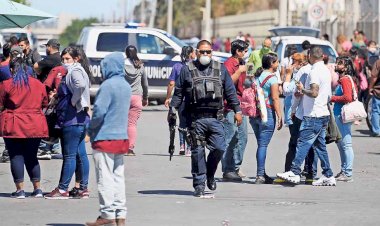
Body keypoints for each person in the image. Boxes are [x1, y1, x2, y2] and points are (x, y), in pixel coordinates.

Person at [170, 40, 242, 197]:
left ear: (212, 53)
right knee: (197, 152)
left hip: (216, 118)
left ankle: (210, 174)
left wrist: (237, 110)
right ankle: (199, 184)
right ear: (196, 52)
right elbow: (179, 93)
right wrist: (172, 109)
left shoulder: (221, 69)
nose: (205, 55)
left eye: (208, 52)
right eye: (202, 52)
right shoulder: (187, 70)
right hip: (195, 120)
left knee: (219, 148)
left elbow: (230, 92)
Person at [277, 46, 336, 186]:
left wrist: (302, 89)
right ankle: (328, 174)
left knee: (302, 143)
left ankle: (295, 171)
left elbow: (314, 92)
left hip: (313, 115)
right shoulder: (326, 71)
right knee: (320, 146)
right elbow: (327, 94)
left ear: (310, 56)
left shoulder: (314, 71)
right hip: (322, 113)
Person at [86, 52, 131, 226]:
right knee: (118, 177)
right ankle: (120, 214)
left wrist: (90, 130)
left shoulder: (107, 86)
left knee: (104, 178)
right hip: (121, 138)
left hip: (104, 138)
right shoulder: (126, 86)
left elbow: (98, 112)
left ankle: (107, 214)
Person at [45, 47, 91, 199]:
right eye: (63, 59)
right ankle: (83, 188)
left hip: (72, 119)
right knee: (80, 154)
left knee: (70, 156)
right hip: (80, 119)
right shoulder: (80, 70)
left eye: (68, 59)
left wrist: (72, 100)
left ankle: (62, 189)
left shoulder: (75, 71)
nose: (65, 62)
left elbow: (80, 86)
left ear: (76, 59)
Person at [0, 55, 48, 198]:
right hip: (35, 124)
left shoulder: (6, 84)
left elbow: (1, 104)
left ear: (11, 69)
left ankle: (20, 190)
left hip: (14, 124)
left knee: (16, 156)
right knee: (32, 156)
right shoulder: (38, 84)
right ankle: (37, 189)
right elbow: (45, 103)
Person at [282, 53, 317, 183]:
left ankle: (290, 171)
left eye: (293, 62)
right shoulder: (316, 70)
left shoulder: (301, 71)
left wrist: (288, 74)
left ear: (300, 62)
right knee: (311, 144)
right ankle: (310, 173)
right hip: (313, 113)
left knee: (294, 143)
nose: (292, 64)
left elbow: (289, 91)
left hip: (300, 113)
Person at [248, 53, 283, 184]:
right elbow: (275, 98)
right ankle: (260, 175)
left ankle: (262, 173)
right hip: (266, 112)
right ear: (272, 64)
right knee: (263, 145)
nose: (278, 64)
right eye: (277, 62)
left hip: (255, 113)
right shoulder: (272, 79)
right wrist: (279, 116)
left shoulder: (258, 76)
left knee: (261, 144)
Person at [221, 39, 249, 181]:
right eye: (244, 51)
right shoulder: (229, 64)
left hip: (241, 105)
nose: (246, 53)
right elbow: (227, 83)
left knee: (242, 137)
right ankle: (227, 170)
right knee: (230, 138)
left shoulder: (242, 64)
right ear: (237, 52)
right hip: (230, 106)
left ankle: (236, 167)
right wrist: (239, 71)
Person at [330, 56, 358, 182]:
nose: (336, 65)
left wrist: (332, 98)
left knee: (346, 144)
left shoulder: (345, 80)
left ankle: (348, 173)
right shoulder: (343, 79)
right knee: (341, 145)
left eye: (340, 63)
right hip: (340, 115)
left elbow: (347, 98)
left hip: (343, 115)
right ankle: (344, 170)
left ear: (346, 67)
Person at [164, 46, 196, 156]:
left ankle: (182, 146)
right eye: (194, 52)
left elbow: (171, 83)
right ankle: (189, 147)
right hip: (192, 99)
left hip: (180, 99)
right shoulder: (194, 66)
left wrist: (168, 97)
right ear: (191, 54)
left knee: (182, 123)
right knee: (191, 123)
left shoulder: (177, 66)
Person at [124, 45, 149, 156]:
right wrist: (145, 97)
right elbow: (145, 84)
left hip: (123, 97)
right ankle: (130, 149)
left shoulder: (121, 65)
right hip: (136, 97)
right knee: (132, 124)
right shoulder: (140, 65)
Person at [280, 45, 298, 127]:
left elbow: (282, 73)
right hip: (294, 80)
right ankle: (291, 118)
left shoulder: (284, 60)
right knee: (293, 100)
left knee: (287, 101)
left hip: (287, 80)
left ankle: (288, 119)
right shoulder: (297, 60)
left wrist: (281, 83)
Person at [369, 59, 380, 136]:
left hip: (378, 91)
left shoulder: (378, 62)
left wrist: (371, 87)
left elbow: (374, 76)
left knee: (376, 110)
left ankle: (376, 130)